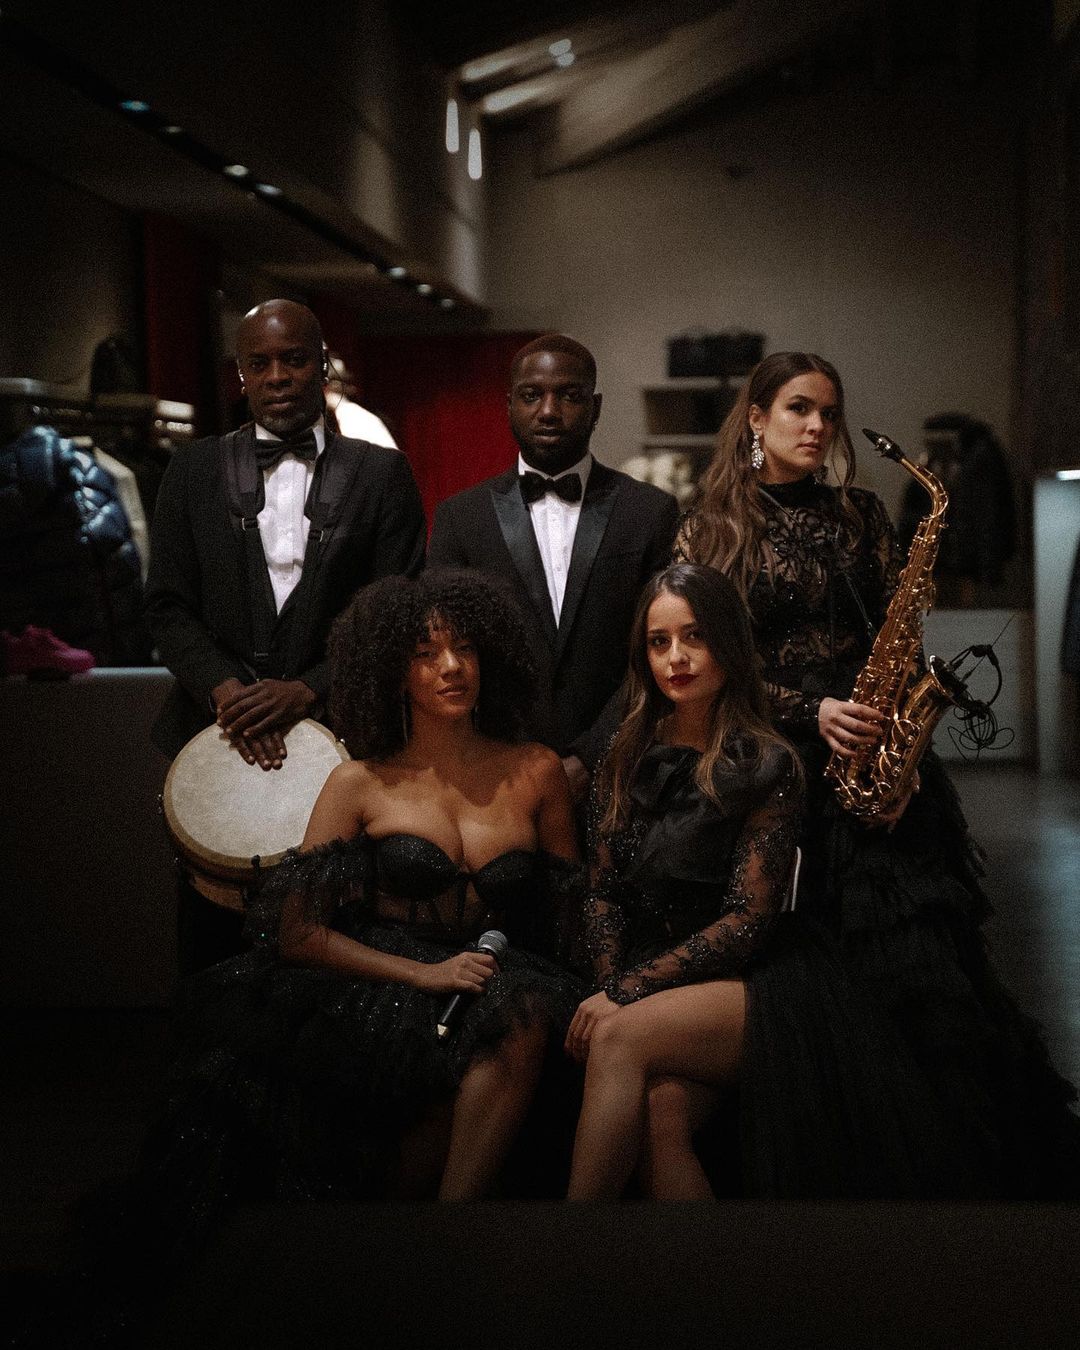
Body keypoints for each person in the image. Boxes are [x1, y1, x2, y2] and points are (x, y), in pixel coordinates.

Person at [676, 351, 1080, 1198]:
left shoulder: (859, 513)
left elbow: (894, 634)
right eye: (799, 408)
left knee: (922, 975)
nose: (818, 426)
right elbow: (707, 665)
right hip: (777, 770)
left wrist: (903, 740)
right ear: (756, 417)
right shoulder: (708, 526)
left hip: (878, 757)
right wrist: (810, 710)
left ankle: (941, 1174)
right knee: (808, 978)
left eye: (829, 412)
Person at [154, 568, 582, 1216]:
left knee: (517, 1015)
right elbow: (295, 933)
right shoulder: (358, 781)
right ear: (392, 672)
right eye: (425, 654)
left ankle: (452, 1236)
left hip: (497, 968)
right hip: (386, 979)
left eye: (465, 648)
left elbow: (572, 911)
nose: (451, 667)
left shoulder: (537, 768)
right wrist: (425, 974)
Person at [564, 564, 962, 1201]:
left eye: (694, 636)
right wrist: (614, 981)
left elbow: (749, 921)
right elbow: (602, 890)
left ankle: (564, 1245)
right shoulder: (624, 751)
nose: (676, 658)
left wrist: (626, 993)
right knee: (661, 1117)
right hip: (654, 970)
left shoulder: (768, 761)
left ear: (727, 643)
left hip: (756, 979)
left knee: (615, 1035)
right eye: (659, 642)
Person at [145, 298, 426, 769]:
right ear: (241, 375)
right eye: (259, 364)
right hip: (214, 730)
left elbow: (398, 611)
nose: (277, 376)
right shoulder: (192, 470)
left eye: (294, 359)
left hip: (348, 733)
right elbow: (166, 604)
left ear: (322, 366)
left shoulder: (383, 474)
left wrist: (310, 688)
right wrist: (225, 691)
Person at [427, 334, 679, 801]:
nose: (548, 410)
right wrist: (505, 757)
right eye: (531, 396)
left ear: (595, 407)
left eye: (569, 395)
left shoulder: (649, 512)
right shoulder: (461, 518)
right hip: (494, 772)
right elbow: (445, 654)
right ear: (509, 405)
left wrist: (591, 756)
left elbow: (658, 650)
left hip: (622, 772)